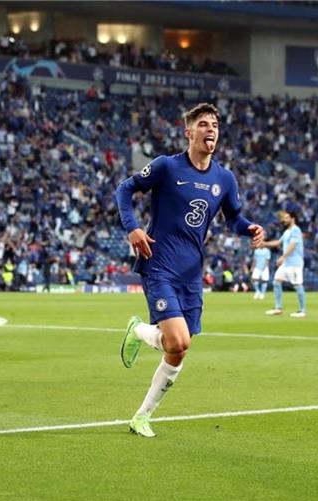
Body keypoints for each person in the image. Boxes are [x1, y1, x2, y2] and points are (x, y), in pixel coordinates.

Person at [115, 102, 265, 438]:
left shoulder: (224, 178)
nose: (210, 129)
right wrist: (132, 228)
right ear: (189, 132)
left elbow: (234, 218)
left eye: (214, 124)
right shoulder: (167, 167)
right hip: (159, 264)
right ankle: (142, 405)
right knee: (178, 339)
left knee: (179, 347)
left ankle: (141, 410)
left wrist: (249, 228)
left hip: (191, 273)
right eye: (203, 124)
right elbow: (125, 189)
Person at [262, 210, 307, 317]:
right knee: (276, 281)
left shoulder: (296, 230)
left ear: (293, 219)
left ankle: (302, 310)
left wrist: (283, 257)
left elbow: (293, 245)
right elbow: (278, 242)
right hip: (287, 263)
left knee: (297, 285)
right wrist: (264, 243)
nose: (284, 220)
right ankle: (278, 308)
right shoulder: (287, 232)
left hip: (295, 263)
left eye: (287, 218)